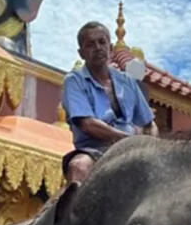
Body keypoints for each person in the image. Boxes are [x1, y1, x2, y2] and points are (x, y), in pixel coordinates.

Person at [61, 21, 158, 182]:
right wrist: (129, 141)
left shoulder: (127, 81)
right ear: (81, 53)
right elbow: (87, 124)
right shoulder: (74, 81)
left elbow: (149, 123)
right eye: (90, 44)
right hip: (95, 151)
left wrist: (152, 146)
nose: (98, 47)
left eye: (102, 42)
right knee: (78, 166)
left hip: (134, 150)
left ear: (110, 48)